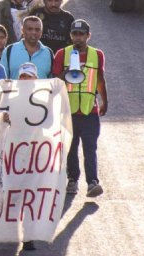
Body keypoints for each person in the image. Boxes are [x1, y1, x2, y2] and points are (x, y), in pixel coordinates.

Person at [52, 19, 108, 198]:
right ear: (70, 35)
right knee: (71, 146)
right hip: (68, 109)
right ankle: (72, 179)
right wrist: (68, 72)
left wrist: (104, 101)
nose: (78, 38)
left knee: (90, 146)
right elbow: (56, 81)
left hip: (88, 108)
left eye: (81, 34)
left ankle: (92, 181)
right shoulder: (62, 54)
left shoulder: (97, 55)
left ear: (88, 36)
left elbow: (100, 78)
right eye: (75, 34)